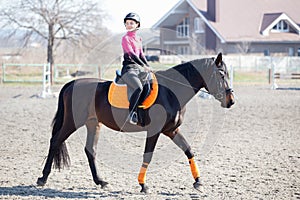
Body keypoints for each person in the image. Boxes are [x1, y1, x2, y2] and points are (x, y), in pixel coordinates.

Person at [121, 12, 150, 125]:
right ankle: (131, 113)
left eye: (131, 23)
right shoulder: (125, 38)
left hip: (138, 70)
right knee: (138, 88)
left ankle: (141, 110)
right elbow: (132, 55)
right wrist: (143, 66)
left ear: (137, 25)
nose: (128, 25)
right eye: (127, 23)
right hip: (128, 69)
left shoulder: (138, 39)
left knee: (148, 86)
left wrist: (148, 66)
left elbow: (141, 55)